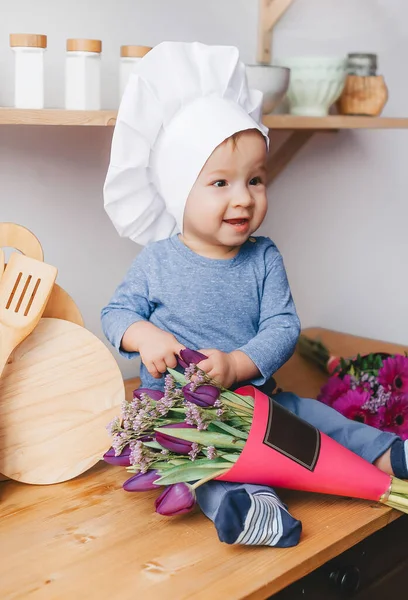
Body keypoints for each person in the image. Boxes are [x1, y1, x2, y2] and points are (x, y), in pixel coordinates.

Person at [101, 41, 408, 547]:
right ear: (180, 192)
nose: (243, 196)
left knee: (315, 418)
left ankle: (387, 452)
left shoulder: (262, 257)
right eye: (220, 182)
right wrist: (144, 335)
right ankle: (250, 508)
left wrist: (239, 365)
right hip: (187, 419)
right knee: (210, 465)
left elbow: (283, 326)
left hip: (258, 398)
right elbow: (116, 312)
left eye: (256, 180)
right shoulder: (157, 261)